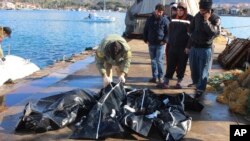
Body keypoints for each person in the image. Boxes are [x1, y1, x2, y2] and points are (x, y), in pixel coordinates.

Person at [186, 0, 221, 98]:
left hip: (205, 49)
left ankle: (201, 88)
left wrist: (206, 21)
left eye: (203, 10)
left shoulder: (215, 18)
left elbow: (214, 33)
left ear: (208, 10)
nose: (201, 12)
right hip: (194, 47)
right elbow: (190, 29)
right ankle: (196, 83)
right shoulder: (197, 16)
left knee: (203, 70)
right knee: (194, 68)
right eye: (200, 10)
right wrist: (192, 37)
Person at [159, 2, 193, 89]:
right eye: (178, 10)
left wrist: (188, 47)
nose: (179, 12)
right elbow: (168, 29)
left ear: (184, 10)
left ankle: (179, 82)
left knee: (182, 65)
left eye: (181, 10)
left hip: (183, 48)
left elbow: (192, 35)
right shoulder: (173, 18)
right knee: (170, 64)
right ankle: (166, 81)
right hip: (173, 46)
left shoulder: (190, 19)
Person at [143, 3, 169, 83]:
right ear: (155, 10)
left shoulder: (165, 20)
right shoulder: (150, 19)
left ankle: (160, 77)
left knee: (159, 60)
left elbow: (168, 32)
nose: (159, 13)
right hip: (151, 43)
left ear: (162, 12)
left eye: (161, 12)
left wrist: (164, 40)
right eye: (158, 11)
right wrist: (145, 39)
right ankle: (154, 77)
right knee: (153, 61)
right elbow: (145, 30)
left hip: (160, 44)